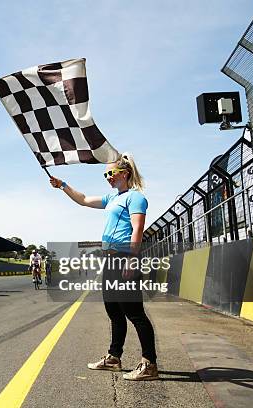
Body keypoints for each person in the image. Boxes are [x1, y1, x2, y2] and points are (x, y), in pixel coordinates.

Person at [49, 153, 158, 381]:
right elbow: (84, 199)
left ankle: (149, 364)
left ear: (125, 173)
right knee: (114, 312)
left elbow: (137, 229)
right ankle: (114, 358)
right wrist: (63, 186)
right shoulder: (111, 198)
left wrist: (131, 258)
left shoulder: (135, 198)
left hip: (124, 257)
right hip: (109, 259)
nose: (108, 177)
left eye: (111, 173)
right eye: (105, 174)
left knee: (134, 313)